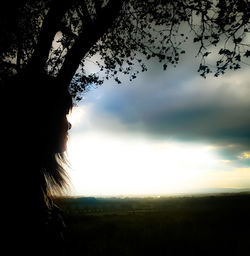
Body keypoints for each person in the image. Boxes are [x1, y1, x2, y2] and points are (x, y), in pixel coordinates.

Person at [1, 70, 73, 255]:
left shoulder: (31, 178)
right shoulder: (19, 187)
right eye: (62, 114)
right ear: (37, 116)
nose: (68, 125)